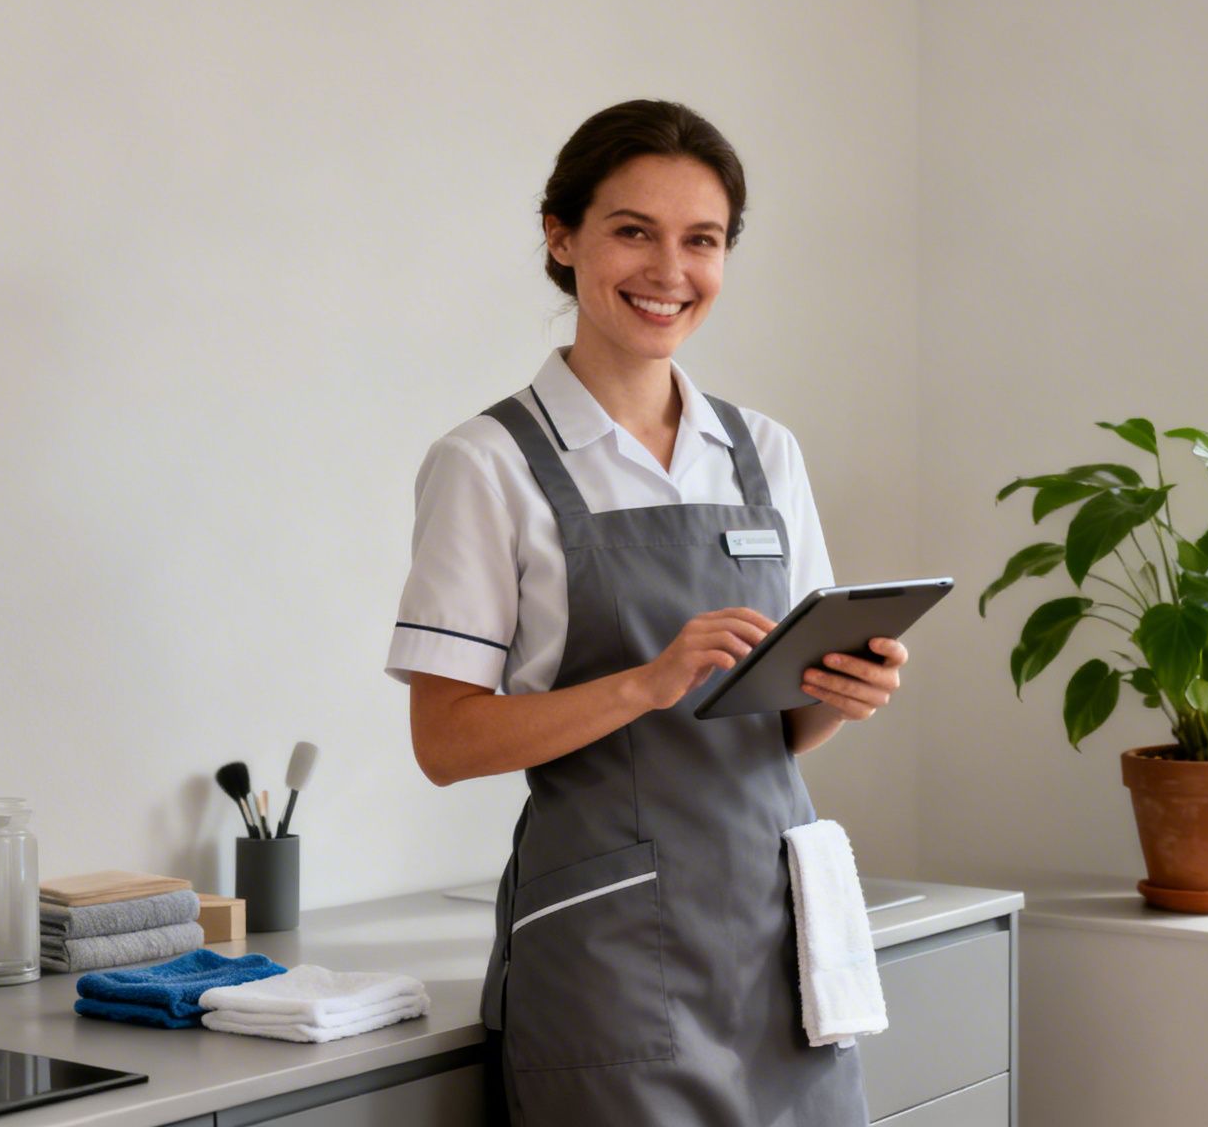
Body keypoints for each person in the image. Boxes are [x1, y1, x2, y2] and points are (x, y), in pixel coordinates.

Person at [385, 100, 899, 1125]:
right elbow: (443, 741)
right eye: (632, 231)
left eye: (700, 240)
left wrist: (845, 689)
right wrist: (645, 682)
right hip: (611, 962)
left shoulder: (764, 453)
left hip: (780, 943)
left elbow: (780, 732)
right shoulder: (486, 465)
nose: (669, 270)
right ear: (561, 237)